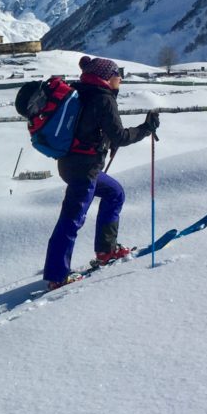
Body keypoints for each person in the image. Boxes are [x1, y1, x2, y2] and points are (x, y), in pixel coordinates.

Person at [43, 56, 159, 290]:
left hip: (70, 163)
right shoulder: (103, 98)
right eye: (118, 74)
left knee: (114, 193)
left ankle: (106, 250)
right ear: (107, 77)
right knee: (71, 219)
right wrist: (146, 128)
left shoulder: (80, 90)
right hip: (84, 169)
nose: (121, 78)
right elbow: (120, 137)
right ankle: (57, 276)